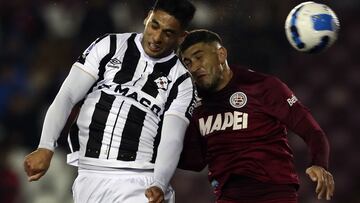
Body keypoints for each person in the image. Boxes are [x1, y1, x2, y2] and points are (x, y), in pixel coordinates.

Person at [23, 0, 197, 202]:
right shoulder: (110, 45)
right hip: (88, 175)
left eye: (168, 33)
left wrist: (160, 182)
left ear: (181, 37)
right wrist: (46, 146)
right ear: (147, 17)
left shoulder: (182, 81)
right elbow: (68, 94)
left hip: (139, 180)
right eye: (154, 25)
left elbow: (172, 138)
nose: (157, 37)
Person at [177, 29, 335, 203]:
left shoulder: (262, 86)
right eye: (188, 63)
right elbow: (195, 160)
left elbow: (312, 131)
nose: (194, 67)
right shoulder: (193, 104)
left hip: (274, 194)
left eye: (199, 57)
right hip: (228, 196)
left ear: (221, 54)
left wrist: (319, 163)